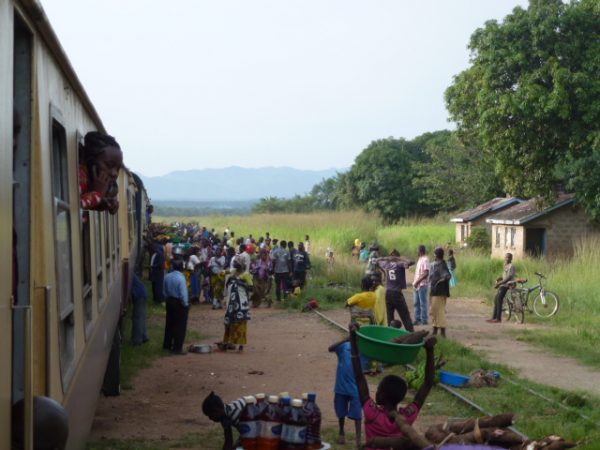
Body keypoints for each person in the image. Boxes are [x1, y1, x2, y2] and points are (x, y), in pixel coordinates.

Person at [349, 323, 437, 450]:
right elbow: (428, 383)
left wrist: (353, 341)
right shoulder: (407, 416)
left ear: (382, 395)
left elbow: (359, 377)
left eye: (378, 390)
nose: (376, 392)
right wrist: (430, 351)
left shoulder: (372, 413)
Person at [328, 336, 368, 448]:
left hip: (356, 388)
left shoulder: (365, 351)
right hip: (341, 386)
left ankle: (358, 439)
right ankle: (341, 432)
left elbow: (375, 364)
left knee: (357, 414)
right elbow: (330, 348)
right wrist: (345, 340)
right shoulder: (344, 347)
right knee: (341, 412)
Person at [79, 131, 123, 214]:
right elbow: (75, 206)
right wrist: (97, 194)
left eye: (118, 169)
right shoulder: (80, 175)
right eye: (109, 165)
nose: (115, 173)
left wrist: (103, 203)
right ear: (91, 161)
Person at [376, 250, 415, 330]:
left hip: (388, 293)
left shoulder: (387, 264)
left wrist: (387, 258)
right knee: (405, 315)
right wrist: (400, 258)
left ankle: (390, 333)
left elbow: (377, 261)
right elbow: (412, 262)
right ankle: (410, 332)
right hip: (397, 293)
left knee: (389, 317)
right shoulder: (400, 264)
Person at [222, 260, 253, 352]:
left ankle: (240, 344)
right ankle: (227, 342)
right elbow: (225, 277)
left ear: (242, 265)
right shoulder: (233, 272)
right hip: (232, 302)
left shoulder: (246, 275)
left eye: (238, 263)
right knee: (229, 321)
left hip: (242, 302)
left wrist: (240, 283)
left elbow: (251, 288)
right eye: (235, 264)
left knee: (240, 322)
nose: (236, 265)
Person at [163, 259, 189, 354]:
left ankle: (167, 345)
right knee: (180, 326)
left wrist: (167, 299)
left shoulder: (167, 277)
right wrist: (185, 304)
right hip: (179, 303)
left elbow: (164, 291)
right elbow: (183, 294)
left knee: (169, 324)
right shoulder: (181, 278)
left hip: (169, 301)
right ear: (182, 268)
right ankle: (177, 348)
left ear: (173, 267)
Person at [429, 247, 452, 337]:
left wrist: (441, 280)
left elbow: (447, 275)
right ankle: (435, 329)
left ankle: (442, 333)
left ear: (436, 255)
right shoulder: (437, 264)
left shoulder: (441, 265)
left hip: (439, 292)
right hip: (434, 291)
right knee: (434, 311)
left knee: (439, 312)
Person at [488, 252, 516, 323]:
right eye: (506, 257)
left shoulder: (511, 266)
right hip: (503, 284)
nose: (507, 259)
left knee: (499, 299)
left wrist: (499, 283)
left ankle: (498, 318)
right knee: (496, 299)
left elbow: (509, 277)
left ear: (511, 258)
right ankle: (494, 317)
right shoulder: (505, 265)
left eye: (508, 257)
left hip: (508, 285)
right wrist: (499, 278)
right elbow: (504, 276)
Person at [412, 245, 430, 326]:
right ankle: (417, 319)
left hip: (422, 285)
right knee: (416, 303)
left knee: (423, 303)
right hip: (416, 285)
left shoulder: (425, 259)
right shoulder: (420, 259)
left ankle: (424, 319)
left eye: (417, 250)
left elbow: (426, 273)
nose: (417, 252)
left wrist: (417, 282)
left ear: (420, 251)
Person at [131, 273, 149, 345]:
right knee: (141, 317)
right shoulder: (131, 274)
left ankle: (137, 340)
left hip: (139, 295)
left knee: (137, 318)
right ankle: (144, 336)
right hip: (142, 293)